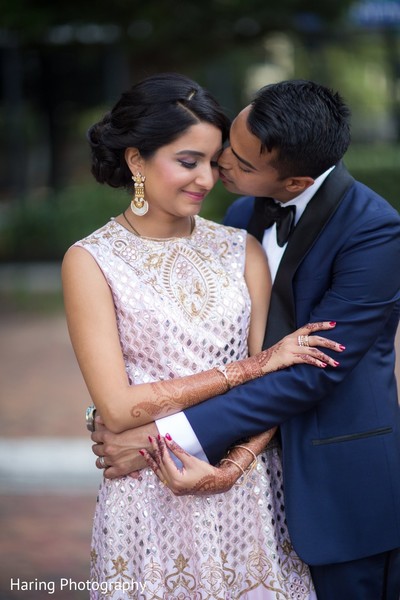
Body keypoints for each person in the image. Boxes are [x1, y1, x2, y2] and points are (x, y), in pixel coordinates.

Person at [91, 79, 400, 600]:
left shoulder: (375, 232)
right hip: (252, 490)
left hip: (340, 487)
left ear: (295, 180)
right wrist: (118, 410)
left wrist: (160, 440)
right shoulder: (239, 217)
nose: (220, 167)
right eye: (226, 144)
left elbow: (310, 370)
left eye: (239, 161)